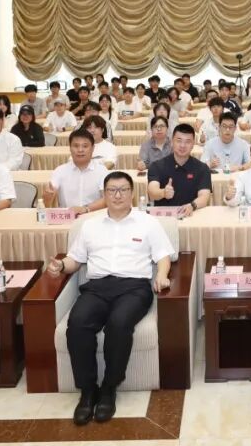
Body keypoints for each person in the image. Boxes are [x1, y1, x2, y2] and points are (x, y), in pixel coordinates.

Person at [47, 171, 174, 425]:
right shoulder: (90, 225)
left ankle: (109, 388)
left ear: (132, 194)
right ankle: (87, 391)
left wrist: (161, 275)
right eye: (112, 190)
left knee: (119, 324)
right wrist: (61, 266)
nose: (117, 195)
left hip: (134, 288)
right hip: (97, 287)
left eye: (123, 190)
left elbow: (163, 256)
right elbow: (75, 260)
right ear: (104, 194)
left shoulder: (148, 223)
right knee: (78, 324)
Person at [147, 124, 212, 215]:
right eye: (179, 140)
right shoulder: (157, 166)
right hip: (165, 217)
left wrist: (192, 206)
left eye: (188, 142)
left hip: (192, 215)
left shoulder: (202, 168)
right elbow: (152, 192)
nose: (182, 145)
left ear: (193, 144)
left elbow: (204, 196)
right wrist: (163, 193)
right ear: (172, 142)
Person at [43, 129, 108, 215]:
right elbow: (47, 200)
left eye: (85, 146)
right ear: (70, 148)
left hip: (93, 217)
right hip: (67, 218)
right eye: (76, 146)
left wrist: (85, 209)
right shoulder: (60, 170)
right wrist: (47, 197)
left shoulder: (102, 171)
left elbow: (107, 198)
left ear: (93, 148)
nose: (80, 150)